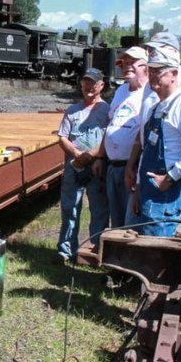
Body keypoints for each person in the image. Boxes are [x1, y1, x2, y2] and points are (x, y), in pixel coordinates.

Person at [125, 48, 181, 237]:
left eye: (159, 71)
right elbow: (147, 151)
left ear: (174, 74)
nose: (153, 76)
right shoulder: (157, 107)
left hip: (164, 198)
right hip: (148, 194)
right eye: (150, 71)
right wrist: (139, 188)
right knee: (146, 249)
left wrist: (170, 178)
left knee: (157, 253)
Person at [56, 68, 110, 261]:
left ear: (101, 86)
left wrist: (91, 155)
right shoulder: (72, 111)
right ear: (80, 84)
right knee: (70, 208)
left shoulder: (107, 111)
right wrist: (77, 154)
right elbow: (62, 138)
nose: (89, 87)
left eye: (93, 83)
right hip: (73, 166)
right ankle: (66, 251)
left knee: (99, 209)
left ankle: (95, 251)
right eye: (85, 82)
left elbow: (108, 138)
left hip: (97, 166)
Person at [93, 46, 148, 228]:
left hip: (132, 169)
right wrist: (100, 156)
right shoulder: (121, 91)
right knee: (116, 220)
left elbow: (143, 135)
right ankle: (116, 255)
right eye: (124, 63)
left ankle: (129, 256)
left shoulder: (150, 93)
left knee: (131, 220)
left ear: (145, 66)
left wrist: (131, 167)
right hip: (112, 166)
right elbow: (111, 125)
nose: (127, 67)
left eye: (132, 63)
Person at [144, 32, 181, 103]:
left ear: (173, 51)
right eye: (150, 49)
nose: (152, 54)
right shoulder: (151, 81)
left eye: (155, 49)